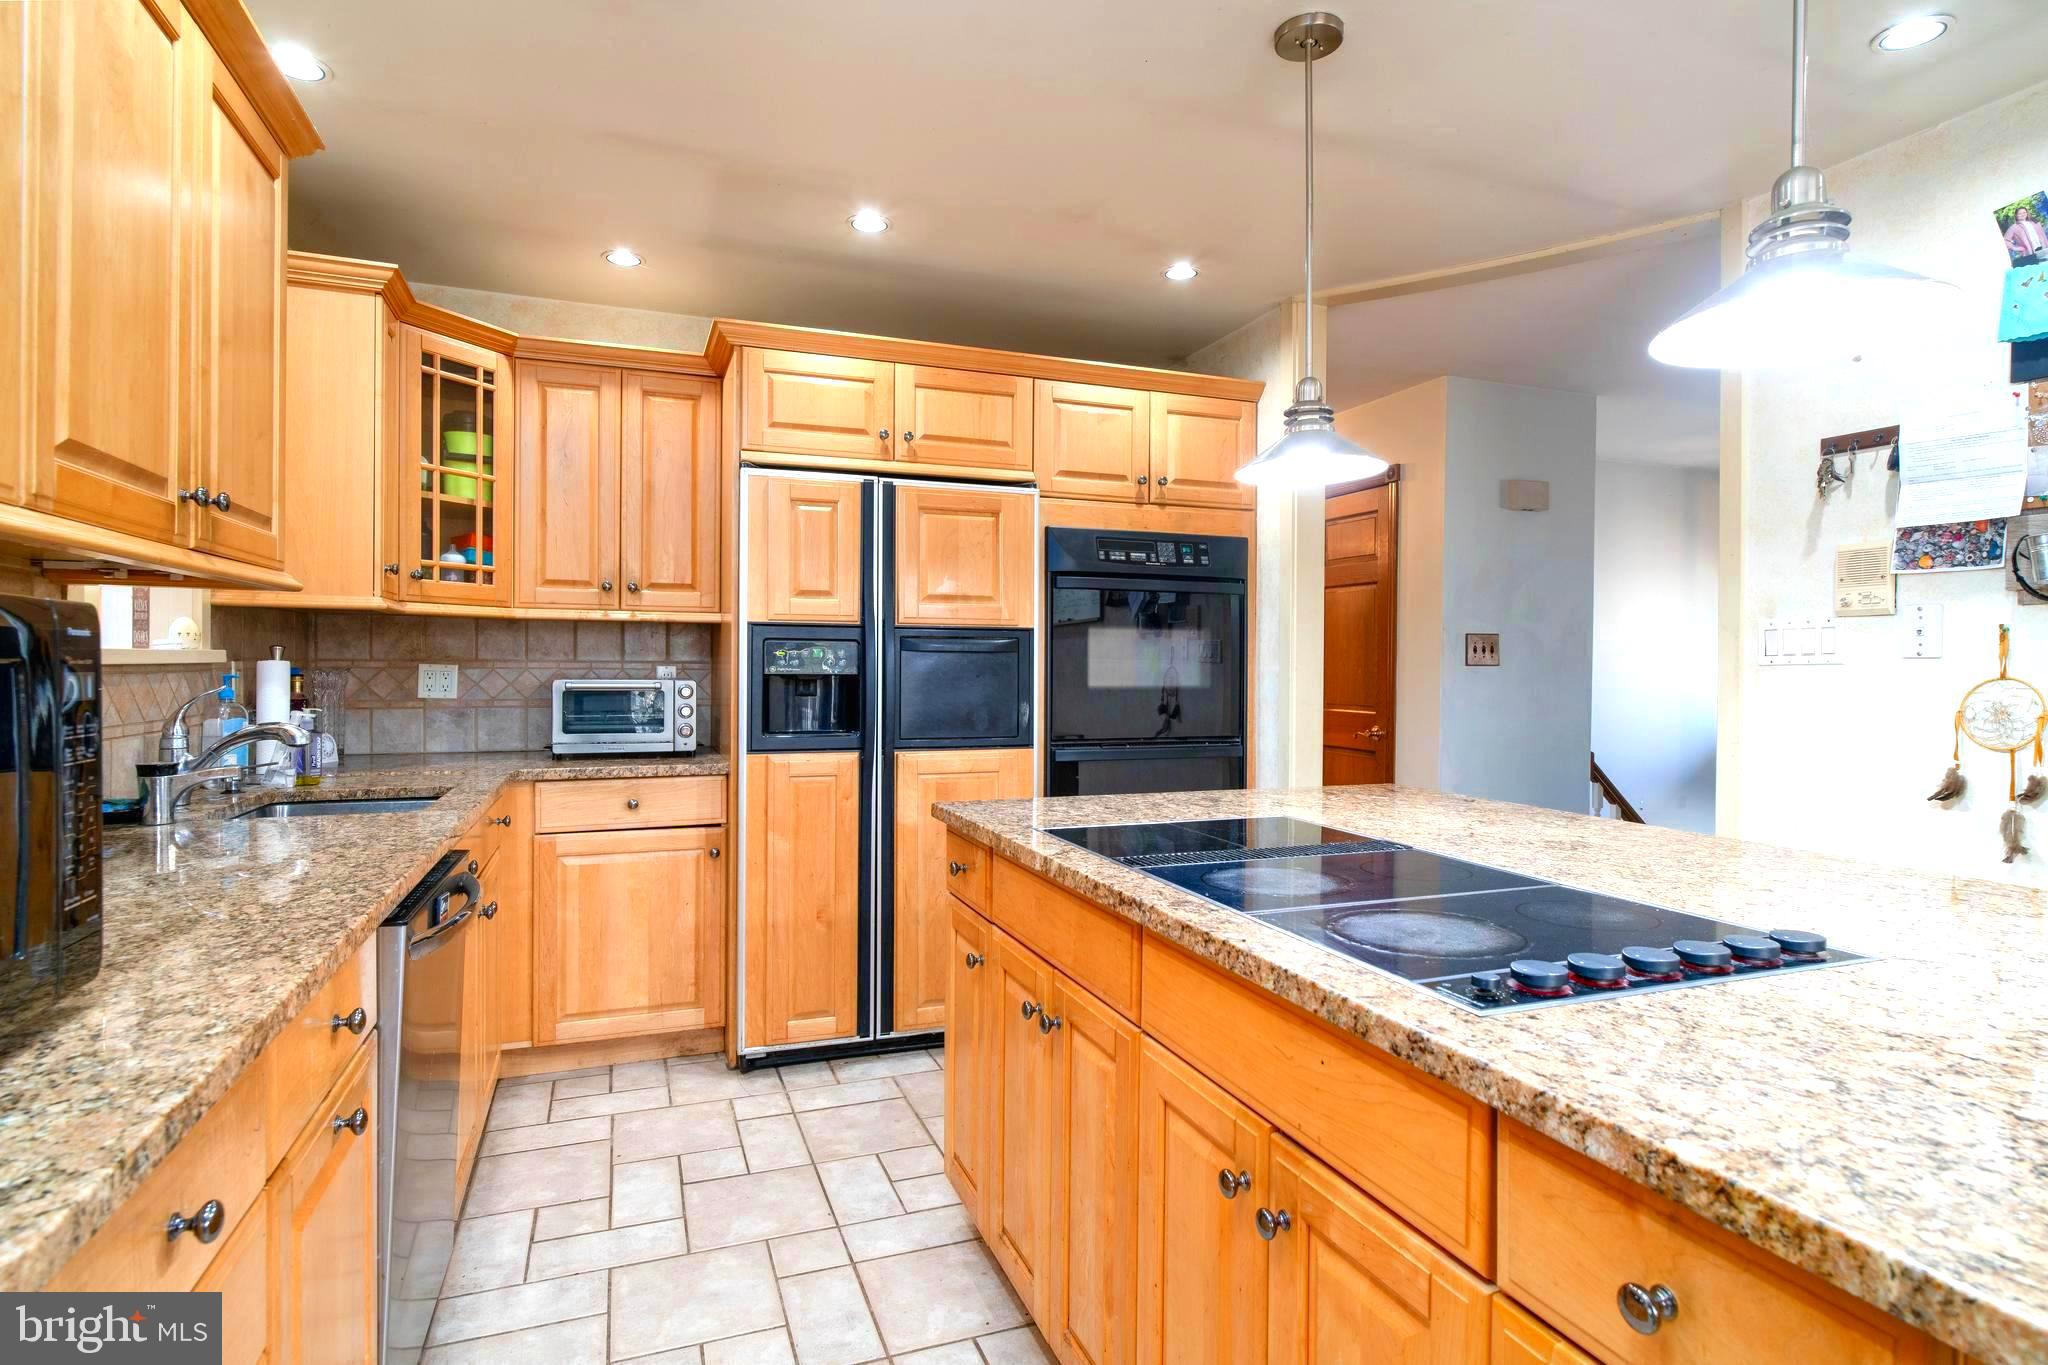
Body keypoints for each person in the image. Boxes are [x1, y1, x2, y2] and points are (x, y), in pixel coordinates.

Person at [2007, 202, 2048, 267]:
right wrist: (2018, 248)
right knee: (2037, 268)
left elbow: (2043, 235)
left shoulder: (2034, 222)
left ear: (2027, 213)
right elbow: (2006, 241)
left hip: (2043, 248)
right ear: (2016, 215)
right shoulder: (2013, 227)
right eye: (2020, 213)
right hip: (2029, 253)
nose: (2022, 214)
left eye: (2024, 212)